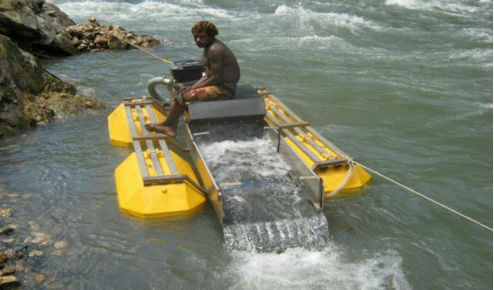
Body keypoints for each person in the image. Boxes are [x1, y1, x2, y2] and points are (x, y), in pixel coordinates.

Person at [145, 21, 241, 137]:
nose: (198, 40)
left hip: (224, 89)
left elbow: (216, 78)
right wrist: (192, 87)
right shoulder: (207, 48)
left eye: (202, 37)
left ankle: (169, 125)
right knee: (177, 88)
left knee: (184, 96)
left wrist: (192, 89)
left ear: (211, 35)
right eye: (195, 37)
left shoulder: (215, 49)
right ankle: (171, 120)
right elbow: (207, 75)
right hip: (215, 83)